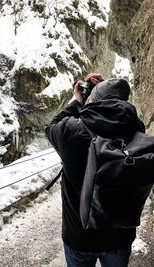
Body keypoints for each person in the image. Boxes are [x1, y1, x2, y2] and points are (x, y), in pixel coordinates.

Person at [45, 73, 145, 267]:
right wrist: (106, 91)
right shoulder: (136, 129)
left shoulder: (70, 132)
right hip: (120, 236)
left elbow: (51, 127)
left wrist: (79, 100)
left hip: (79, 236)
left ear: (93, 101)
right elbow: (117, 115)